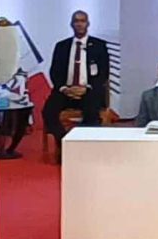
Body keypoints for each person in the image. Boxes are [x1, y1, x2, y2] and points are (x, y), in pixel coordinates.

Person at [42, 11, 110, 146]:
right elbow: (54, 72)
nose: (79, 24)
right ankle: (64, 143)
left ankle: (82, 145)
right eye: (76, 21)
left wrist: (86, 88)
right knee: (48, 112)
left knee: (92, 113)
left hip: (89, 91)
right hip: (65, 91)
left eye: (82, 21)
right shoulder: (61, 46)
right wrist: (65, 89)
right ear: (71, 24)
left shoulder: (99, 45)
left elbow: (103, 73)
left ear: (88, 24)